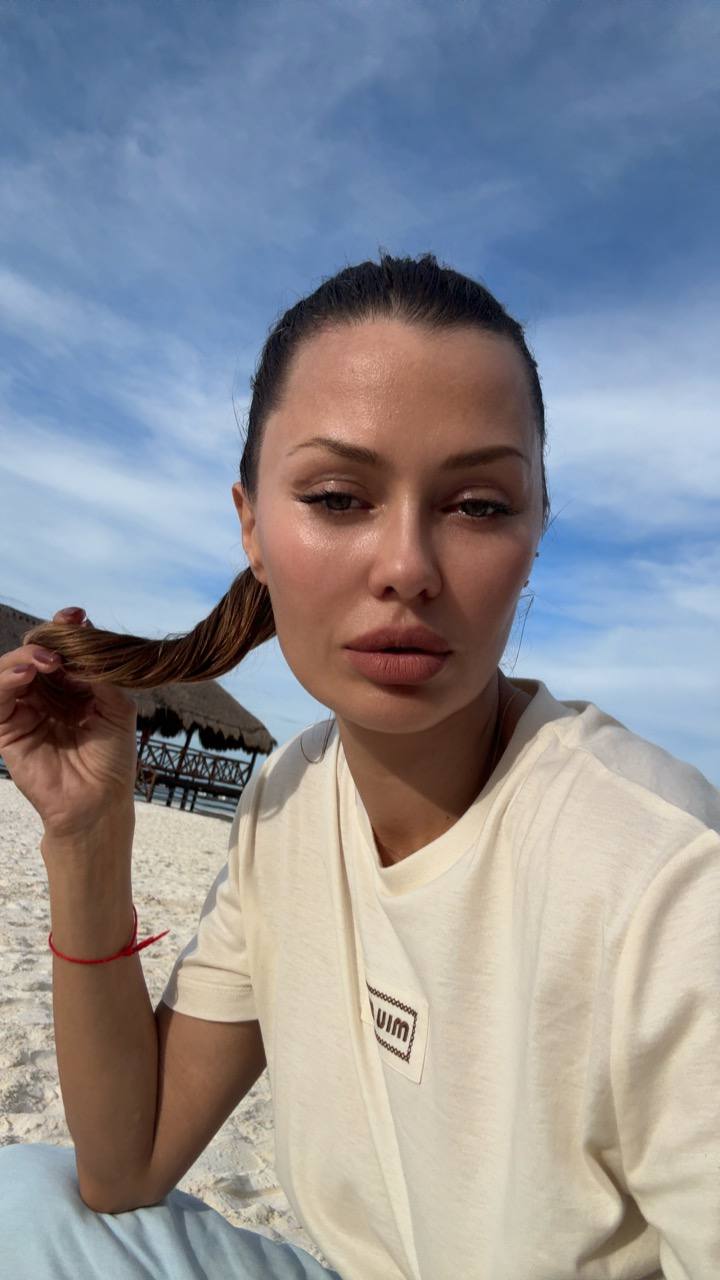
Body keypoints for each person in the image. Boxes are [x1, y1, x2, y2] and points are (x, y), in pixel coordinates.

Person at [0, 251, 717, 1280]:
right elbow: (125, 1164)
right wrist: (86, 833)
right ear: (252, 526)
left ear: (536, 536)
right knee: (23, 1200)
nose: (407, 567)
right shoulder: (286, 801)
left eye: (479, 505)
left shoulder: (669, 879)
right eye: (339, 497)